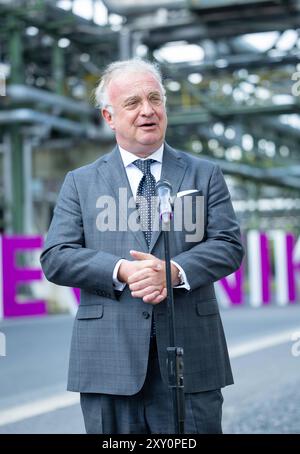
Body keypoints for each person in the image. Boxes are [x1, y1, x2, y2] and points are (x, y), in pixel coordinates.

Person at [40, 58, 244, 434]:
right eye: (133, 102)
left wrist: (174, 272)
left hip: (191, 358)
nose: (147, 110)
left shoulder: (204, 173)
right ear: (109, 116)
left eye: (155, 98)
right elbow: (56, 257)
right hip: (108, 362)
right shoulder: (80, 183)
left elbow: (229, 245)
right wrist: (122, 270)